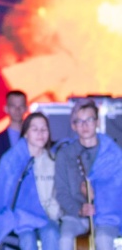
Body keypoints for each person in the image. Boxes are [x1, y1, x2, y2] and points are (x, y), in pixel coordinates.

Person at [0, 112, 61, 249]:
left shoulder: (52, 160)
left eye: (44, 129)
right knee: (27, 239)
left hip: (46, 216)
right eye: (35, 129)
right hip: (17, 217)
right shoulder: (11, 160)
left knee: (52, 234)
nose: (40, 133)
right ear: (25, 133)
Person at [55, 98, 122, 250]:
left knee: (103, 239)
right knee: (65, 240)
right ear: (73, 126)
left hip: (106, 216)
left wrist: (97, 196)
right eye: (79, 121)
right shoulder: (65, 155)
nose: (85, 125)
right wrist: (80, 209)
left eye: (89, 120)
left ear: (97, 122)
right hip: (75, 216)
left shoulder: (113, 154)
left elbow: (117, 190)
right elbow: (61, 192)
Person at [0, 89, 28, 191]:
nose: (17, 110)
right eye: (13, 106)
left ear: (26, 108)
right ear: (6, 109)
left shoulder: (35, 140)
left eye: (21, 106)